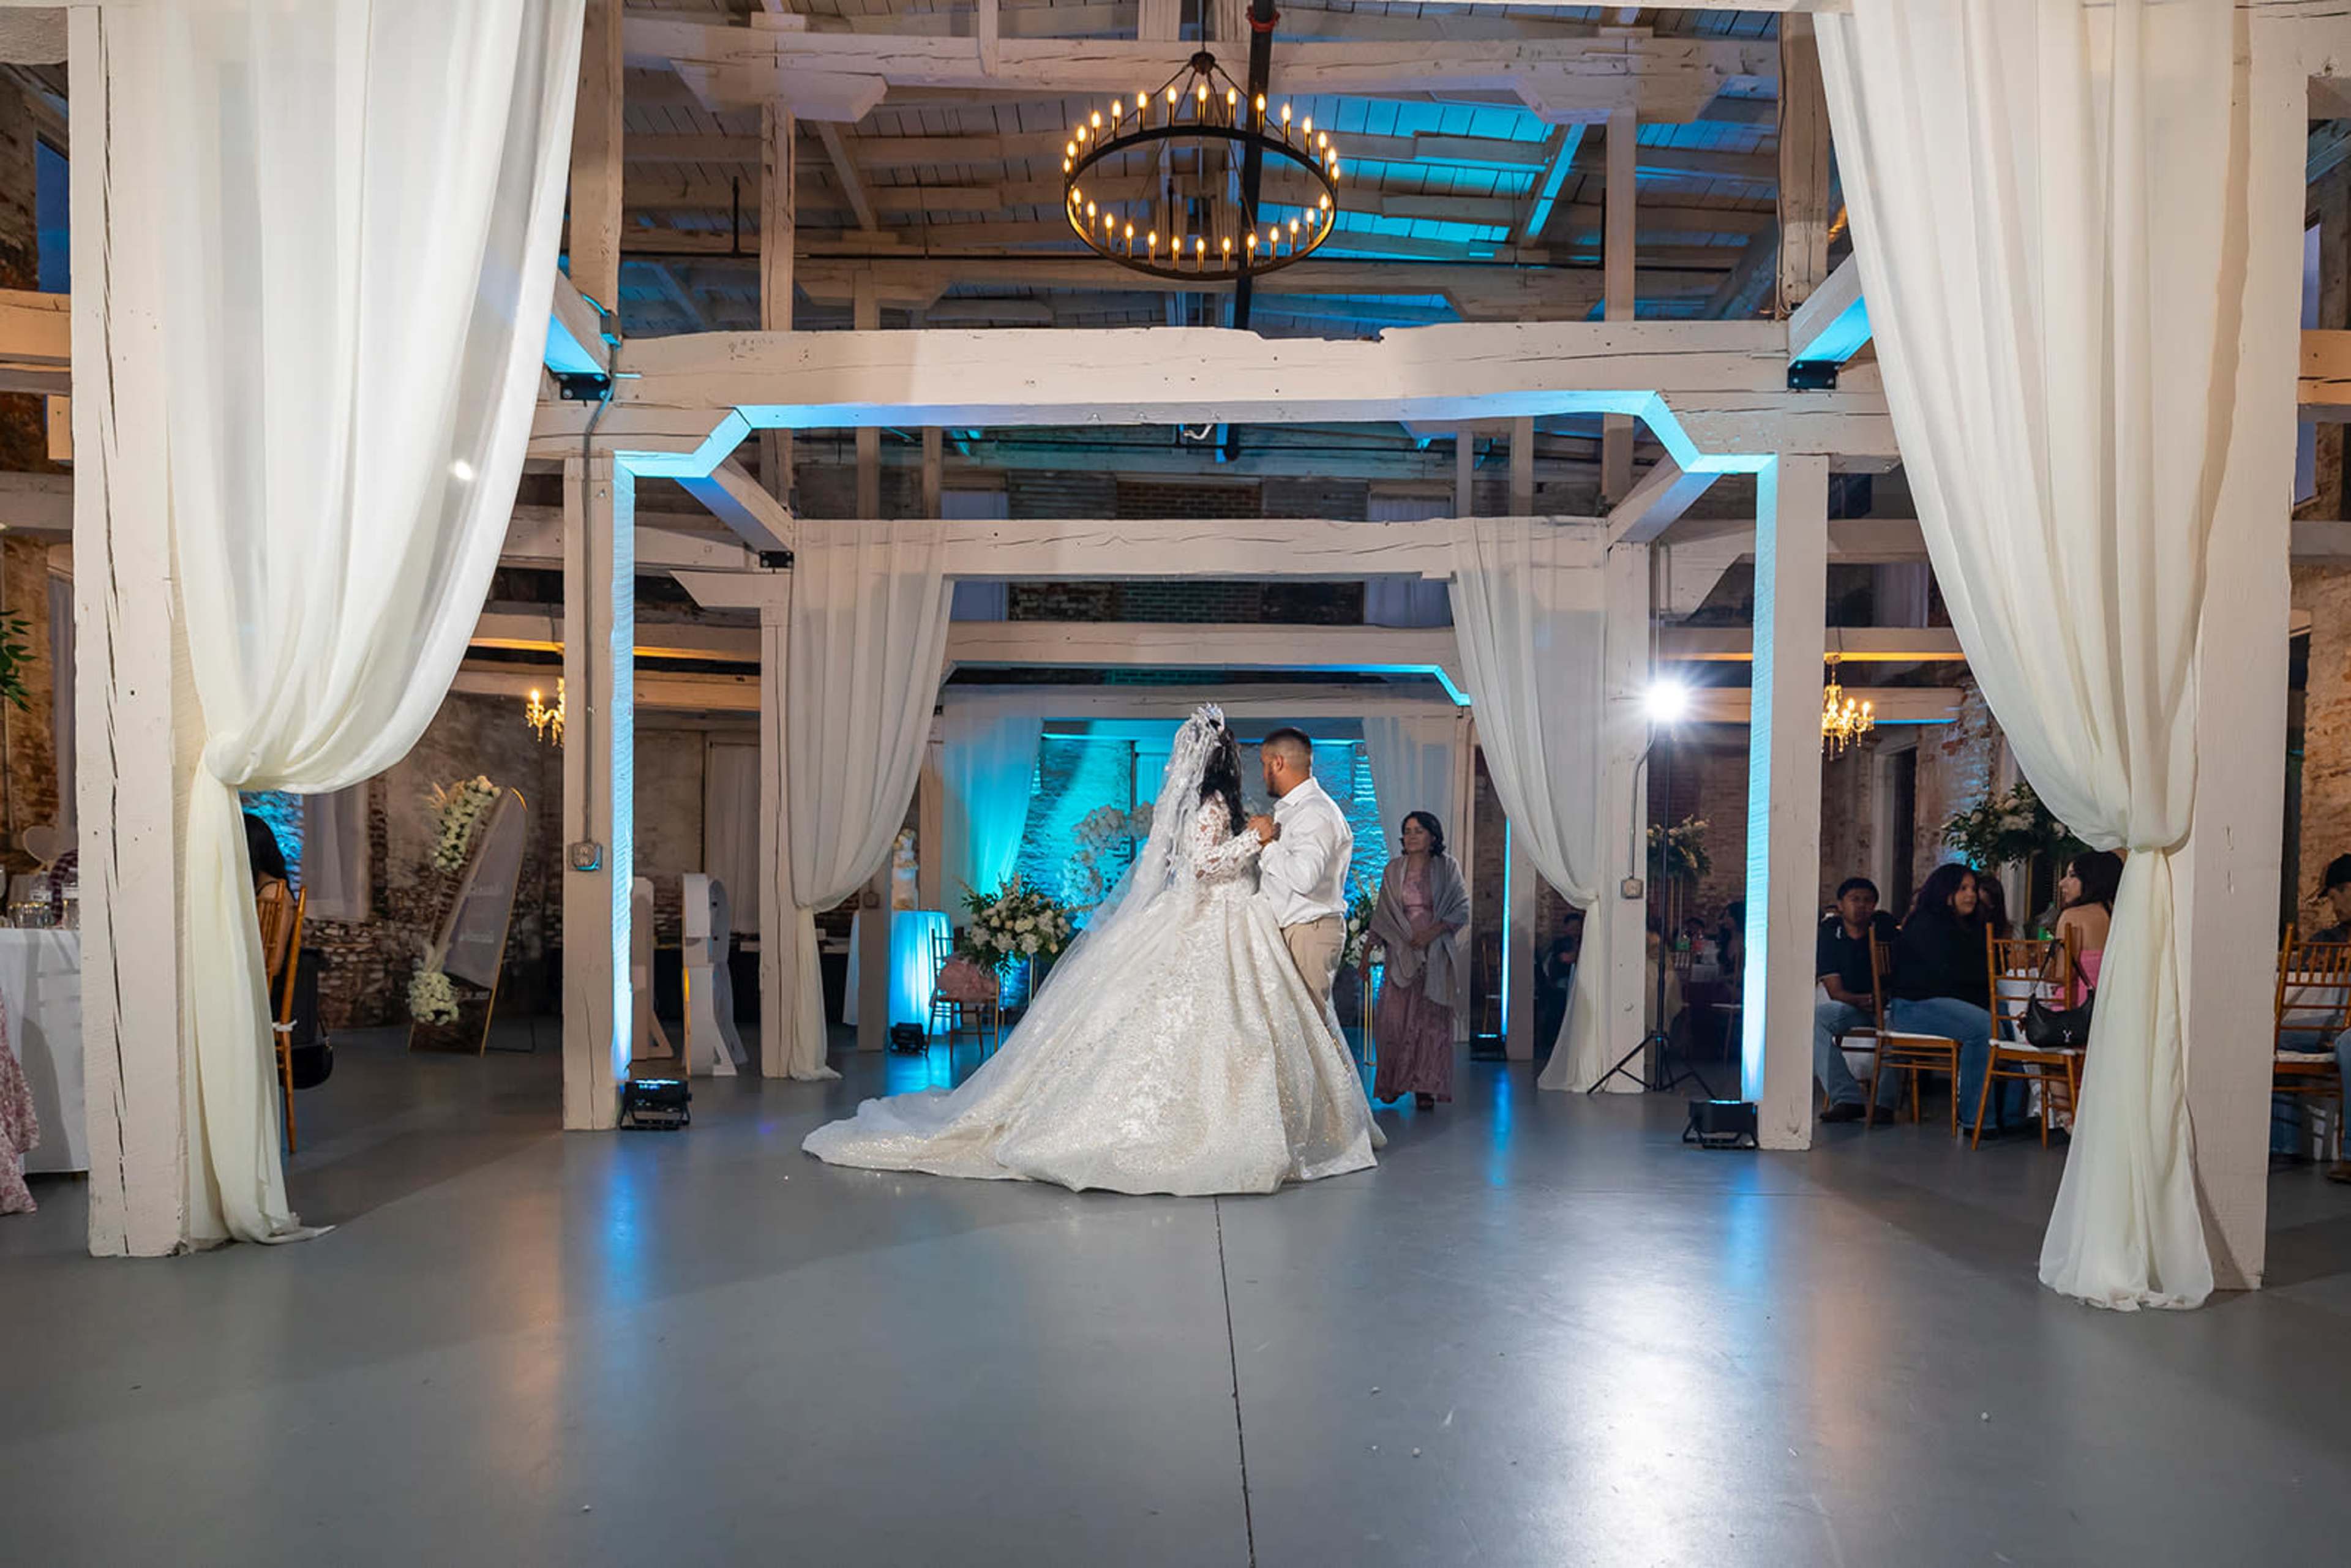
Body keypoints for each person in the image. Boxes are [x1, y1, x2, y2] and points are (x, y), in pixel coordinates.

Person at [803, 706, 1381, 1195]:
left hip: (1235, 919)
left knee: (1242, 1025)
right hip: (1217, 916)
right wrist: (1255, 838)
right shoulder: (1212, 805)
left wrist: (1255, 839)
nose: (1243, 759)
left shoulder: (1224, 804)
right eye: (1234, 751)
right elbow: (1204, 865)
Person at [1889, 863, 2014, 1136]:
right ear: (1946, 893)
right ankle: (1977, 1120)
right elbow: (1943, 977)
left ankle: (2013, 1116)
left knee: (2014, 1021)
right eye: (1963, 889)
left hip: (1951, 1002)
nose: (1971, 895)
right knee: (1983, 1029)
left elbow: (1984, 970)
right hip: (1916, 1006)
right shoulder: (1925, 924)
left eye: (1973, 888)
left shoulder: (1969, 925)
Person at [1248, 728, 1355, 1035]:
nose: (1263, 774)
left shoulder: (1315, 812)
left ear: (1278, 763)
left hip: (1309, 931)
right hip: (1297, 929)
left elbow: (1303, 878)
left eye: (1264, 764)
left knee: (1307, 1034)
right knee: (1293, 1033)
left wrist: (1267, 845)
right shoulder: (1295, 810)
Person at [1368, 811, 1469, 1109]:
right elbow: (1383, 913)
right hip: (1401, 951)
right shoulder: (1393, 869)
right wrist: (1368, 952)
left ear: (1433, 837)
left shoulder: (1448, 868)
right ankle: (1393, 1082)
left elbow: (1461, 908)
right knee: (1393, 1020)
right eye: (1408, 831)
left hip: (1434, 951)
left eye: (1419, 831)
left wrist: (1430, 934)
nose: (1412, 836)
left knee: (1429, 1021)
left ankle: (1425, 1086)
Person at [1815, 877, 1900, 1123]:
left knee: (1898, 1023)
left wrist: (1883, 997)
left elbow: (1902, 974)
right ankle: (1847, 1098)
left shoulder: (1885, 929)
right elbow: (1835, 991)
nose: (1861, 906)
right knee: (1817, 1020)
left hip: (1887, 1004)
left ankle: (1884, 1103)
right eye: (1855, 900)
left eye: (1868, 901)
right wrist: (1861, 1000)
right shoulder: (1830, 934)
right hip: (1852, 1003)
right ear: (1841, 905)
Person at [2051, 850, 2123, 1004]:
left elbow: (2063, 974)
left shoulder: (2073, 916)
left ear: (2092, 879)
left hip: (2076, 1007)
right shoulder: (2122, 916)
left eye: (2072, 876)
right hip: (2112, 1005)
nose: (2062, 883)